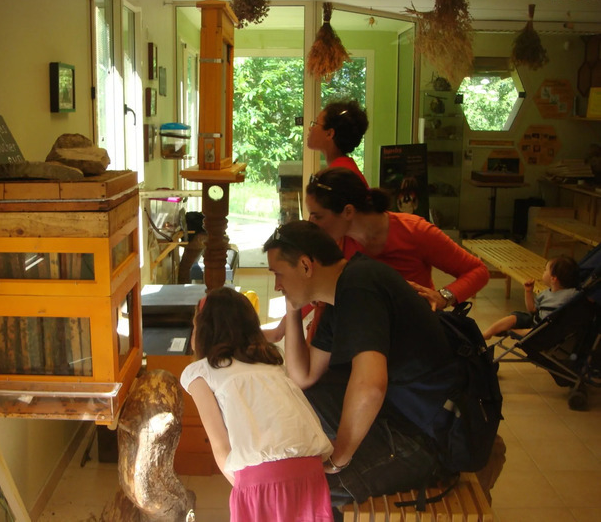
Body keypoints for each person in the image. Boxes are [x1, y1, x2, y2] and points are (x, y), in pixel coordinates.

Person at [263, 221, 467, 517]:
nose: (277, 285)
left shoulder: (360, 287)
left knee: (299, 490)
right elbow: (303, 376)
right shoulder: (342, 292)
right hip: (398, 418)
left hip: (425, 441)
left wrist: (339, 457)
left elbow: (371, 386)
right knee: (299, 397)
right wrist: (293, 309)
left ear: (306, 265)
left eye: (279, 274)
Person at [180, 287, 334, 522]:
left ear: (202, 332)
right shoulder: (270, 362)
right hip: (311, 471)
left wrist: (244, 490)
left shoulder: (199, 373)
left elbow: (220, 446)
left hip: (261, 480)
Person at [305, 167, 489, 310]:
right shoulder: (334, 242)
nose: (311, 223)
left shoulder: (415, 231)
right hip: (364, 335)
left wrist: (444, 297)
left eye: (317, 216)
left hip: (411, 336)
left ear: (348, 211)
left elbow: (477, 271)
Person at [482, 255, 579, 340]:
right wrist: (528, 292)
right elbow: (532, 309)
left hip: (547, 330)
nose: (543, 272)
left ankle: (511, 331)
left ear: (553, 278)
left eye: (545, 270)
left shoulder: (571, 294)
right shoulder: (545, 293)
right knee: (514, 316)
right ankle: (487, 333)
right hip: (535, 320)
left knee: (535, 331)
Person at [307, 100, 369, 186]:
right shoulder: (344, 169)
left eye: (316, 123)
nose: (310, 128)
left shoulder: (339, 178)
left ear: (329, 134)